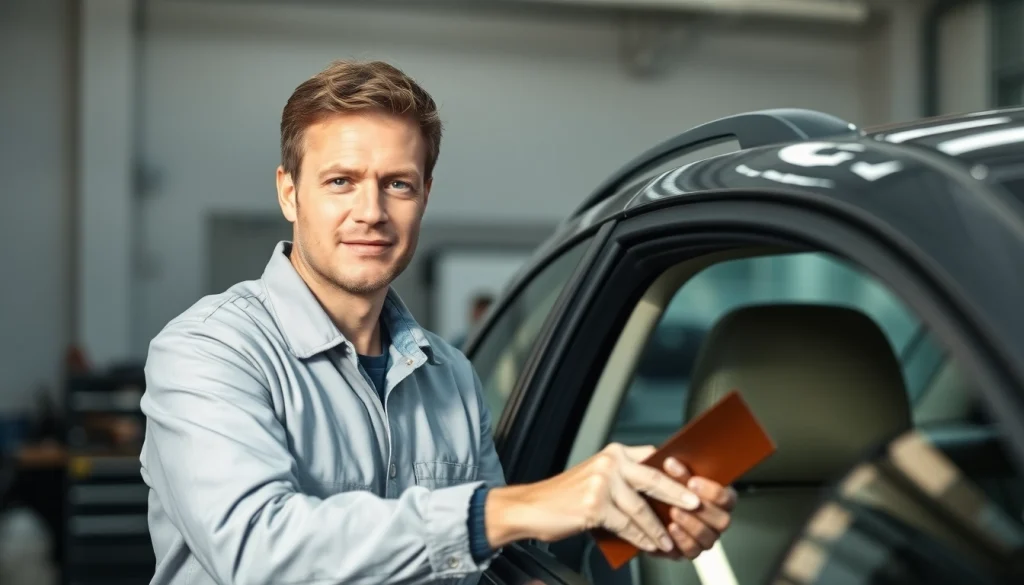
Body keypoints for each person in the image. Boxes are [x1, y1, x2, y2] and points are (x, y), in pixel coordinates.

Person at [139, 60, 737, 585]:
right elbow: (255, 550)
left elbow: (489, 561)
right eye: (341, 182)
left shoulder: (448, 374)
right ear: (289, 193)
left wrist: (634, 520)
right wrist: (508, 511)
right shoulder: (208, 351)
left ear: (424, 194)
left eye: (397, 184)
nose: (370, 212)